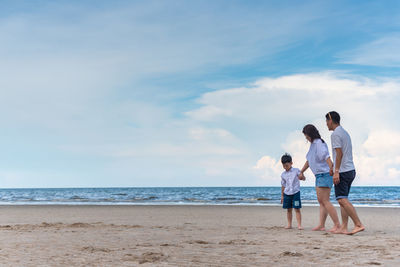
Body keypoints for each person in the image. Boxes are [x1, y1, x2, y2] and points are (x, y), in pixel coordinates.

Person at [326, 111, 365, 235]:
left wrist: (336, 171)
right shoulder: (344, 132)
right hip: (350, 170)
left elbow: (339, 153)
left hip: (343, 171)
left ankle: (358, 224)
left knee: (342, 199)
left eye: (327, 121)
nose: (326, 124)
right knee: (342, 199)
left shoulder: (336, 134)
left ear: (331, 120)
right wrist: (334, 168)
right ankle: (343, 227)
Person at [299, 124, 340, 233]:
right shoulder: (313, 145)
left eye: (306, 135)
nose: (306, 138)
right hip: (319, 175)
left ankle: (337, 224)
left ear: (310, 134)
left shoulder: (319, 143)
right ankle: (321, 225)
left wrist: (333, 170)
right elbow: (309, 161)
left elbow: (326, 157)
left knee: (325, 201)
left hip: (325, 174)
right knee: (321, 201)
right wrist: (301, 171)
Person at [280, 153, 305, 230]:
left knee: (297, 209)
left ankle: (299, 225)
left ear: (291, 163)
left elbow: (303, 178)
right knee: (289, 209)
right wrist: (282, 196)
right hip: (287, 193)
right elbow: (283, 185)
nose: (285, 167)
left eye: (287, 165)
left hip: (295, 193)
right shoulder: (283, 174)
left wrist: (302, 176)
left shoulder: (296, 170)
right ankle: (289, 224)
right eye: (284, 166)